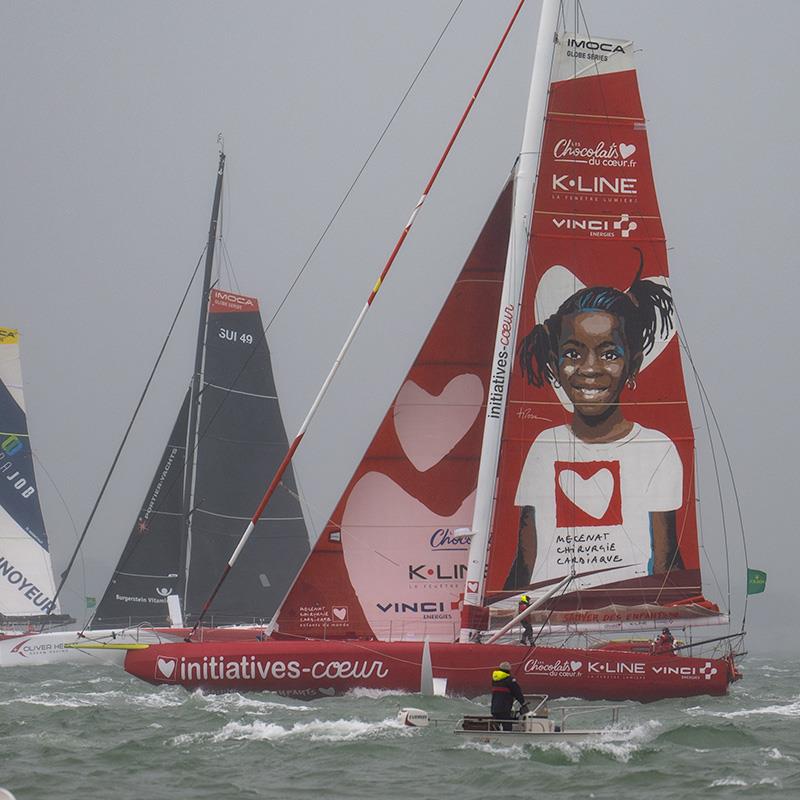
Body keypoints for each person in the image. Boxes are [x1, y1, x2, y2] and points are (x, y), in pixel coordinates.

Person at [505, 254, 685, 592]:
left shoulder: (657, 448)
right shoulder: (543, 445)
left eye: (609, 354)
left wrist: (668, 615)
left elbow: (665, 560)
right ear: (554, 365)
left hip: (632, 617)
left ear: (633, 365)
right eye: (573, 354)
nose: (590, 368)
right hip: (544, 620)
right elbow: (525, 560)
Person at [491, 660, 527, 731]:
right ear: (508, 670)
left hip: (494, 709)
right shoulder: (510, 680)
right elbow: (517, 692)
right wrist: (523, 703)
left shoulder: (495, 680)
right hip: (505, 709)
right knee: (507, 726)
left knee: (497, 726)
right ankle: (507, 740)